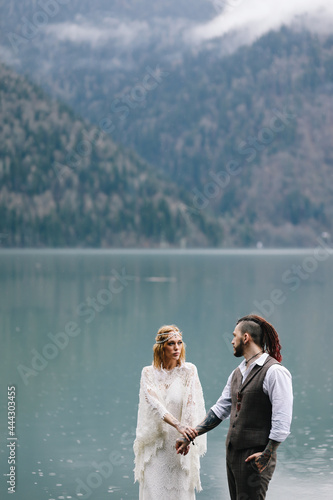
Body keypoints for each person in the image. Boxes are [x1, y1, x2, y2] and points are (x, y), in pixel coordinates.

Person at [176, 314, 293, 500]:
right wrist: (191, 435)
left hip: (256, 455)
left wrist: (267, 454)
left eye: (234, 335)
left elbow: (282, 420)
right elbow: (220, 409)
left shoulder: (275, 372)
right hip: (232, 453)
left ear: (245, 337)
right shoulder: (237, 372)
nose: (232, 341)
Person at [133, 324, 207, 500]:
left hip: (179, 444)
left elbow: (191, 405)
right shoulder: (147, 373)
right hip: (156, 446)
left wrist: (187, 437)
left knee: (180, 492)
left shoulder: (189, 371)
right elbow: (155, 404)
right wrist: (178, 424)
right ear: (161, 348)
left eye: (179, 343)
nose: (176, 348)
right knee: (155, 491)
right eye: (171, 343)